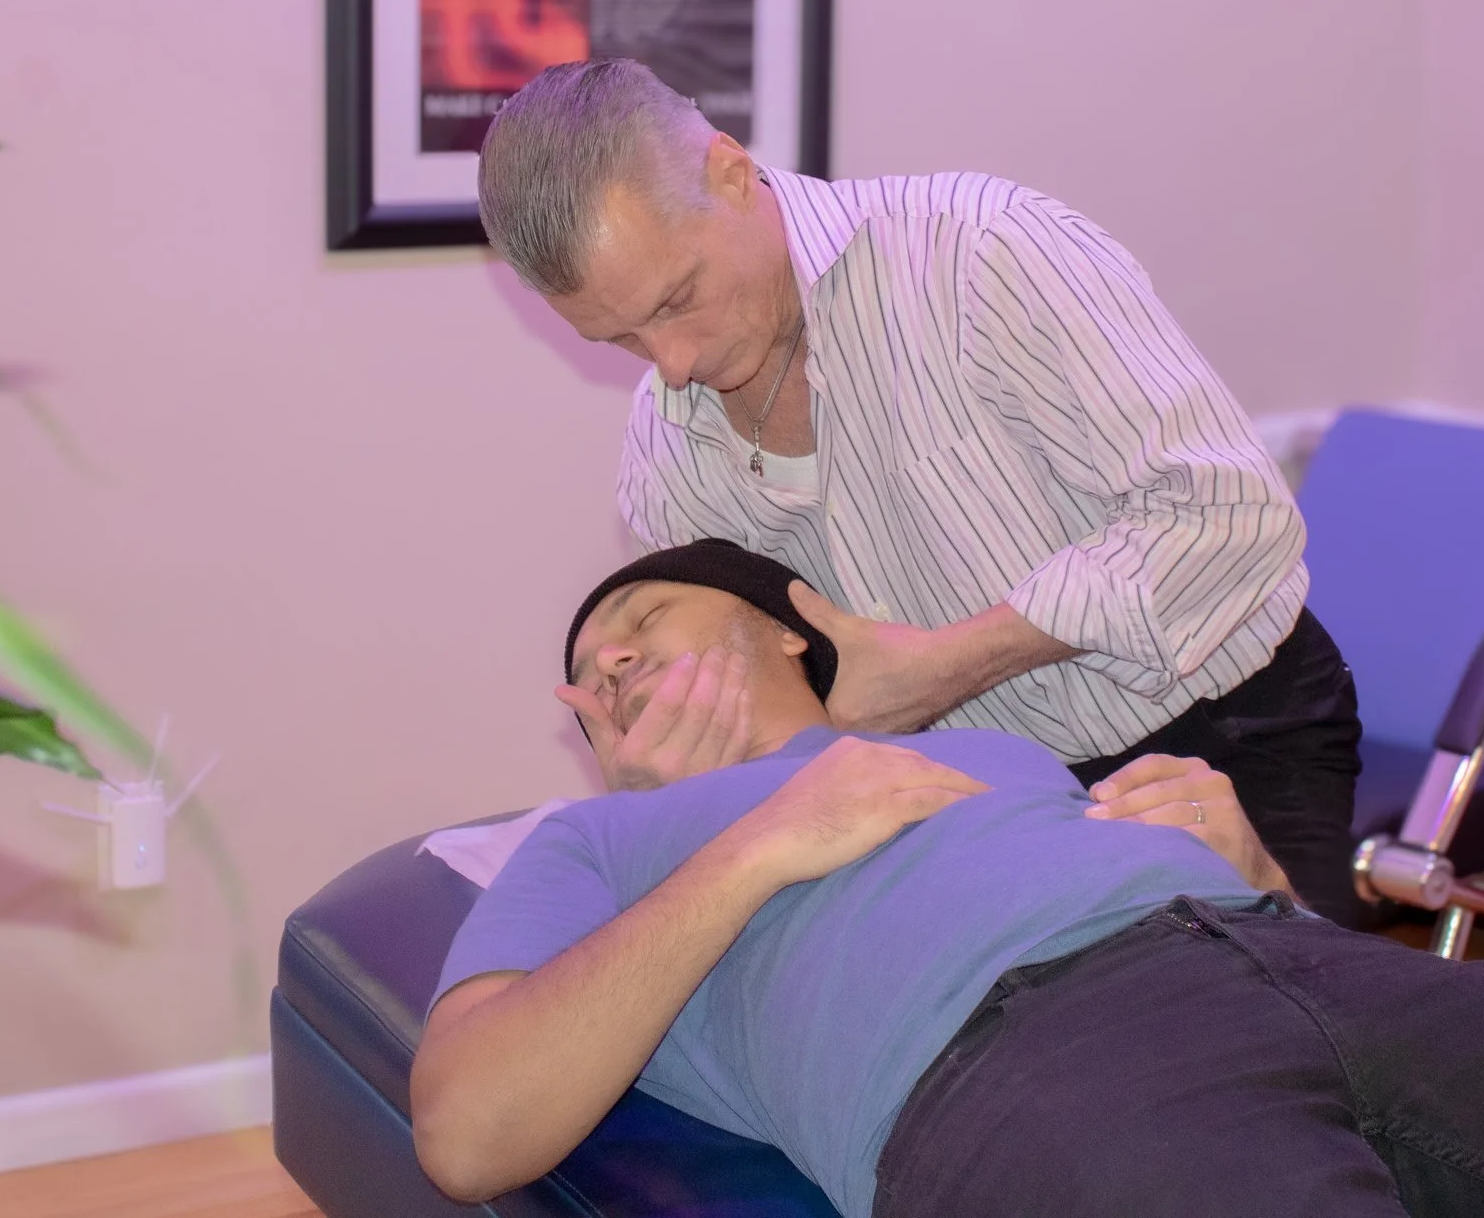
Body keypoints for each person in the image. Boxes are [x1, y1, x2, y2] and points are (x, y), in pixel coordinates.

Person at [411, 541, 1484, 1218]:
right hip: (1021, 1066)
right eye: (589, 678)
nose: (608, 669)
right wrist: (762, 842)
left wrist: (1259, 870)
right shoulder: (589, 848)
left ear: (788, 631)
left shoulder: (994, 746)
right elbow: (468, 1127)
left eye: (641, 621)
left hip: (1305, 966)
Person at [475, 58, 1366, 922]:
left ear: (733, 174)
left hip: (1225, 729)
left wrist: (948, 663)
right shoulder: (666, 457)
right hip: (978, 808)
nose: (670, 365)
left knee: (1291, 1009)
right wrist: (668, 779)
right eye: (621, 339)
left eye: (676, 300)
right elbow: (772, 723)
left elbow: (1227, 517)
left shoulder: (982, 252)